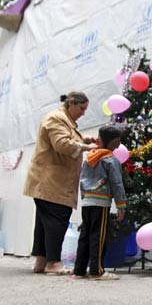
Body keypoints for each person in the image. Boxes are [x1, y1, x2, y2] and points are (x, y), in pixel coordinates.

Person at [23, 91, 97, 275]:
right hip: (51, 181)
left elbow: (67, 138)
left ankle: (41, 262)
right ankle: (53, 263)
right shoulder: (57, 118)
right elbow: (62, 144)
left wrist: (83, 139)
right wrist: (86, 147)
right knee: (57, 220)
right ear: (71, 103)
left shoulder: (64, 120)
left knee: (44, 223)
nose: (83, 113)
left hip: (50, 181)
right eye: (81, 108)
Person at [73, 126, 126, 280]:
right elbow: (116, 183)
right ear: (114, 142)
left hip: (87, 202)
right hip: (101, 203)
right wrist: (121, 205)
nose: (119, 144)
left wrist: (85, 196)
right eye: (118, 141)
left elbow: (82, 178)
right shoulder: (111, 159)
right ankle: (97, 271)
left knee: (85, 235)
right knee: (99, 236)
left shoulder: (90, 157)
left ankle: (79, 270)